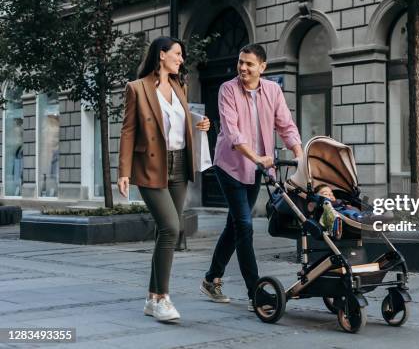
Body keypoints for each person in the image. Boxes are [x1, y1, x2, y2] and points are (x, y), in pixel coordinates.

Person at [200, 43, 303, 311]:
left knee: (234, 226)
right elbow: (233, 133)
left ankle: (211, 278)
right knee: (244, 226)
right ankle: (255, 292)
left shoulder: (273, 90)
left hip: (257, 169)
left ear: (262, 67)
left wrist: (300, 155)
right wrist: (257, 157)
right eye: (240, 62)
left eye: (249, 64)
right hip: (230, 166)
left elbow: (285, 125)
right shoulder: (227, 90)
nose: (243, 68)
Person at [118, 36, 210, 323]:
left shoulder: (180, 85)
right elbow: (128, 131)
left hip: (180, 164)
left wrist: (201, 123)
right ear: (162, 55)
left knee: (165, 232)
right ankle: (163, 298)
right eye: (178, 54)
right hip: (150, 166)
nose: (181, 59)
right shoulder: (137, 88)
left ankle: (151, 298)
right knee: (171, 227)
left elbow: (181, 122)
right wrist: (123, 171)